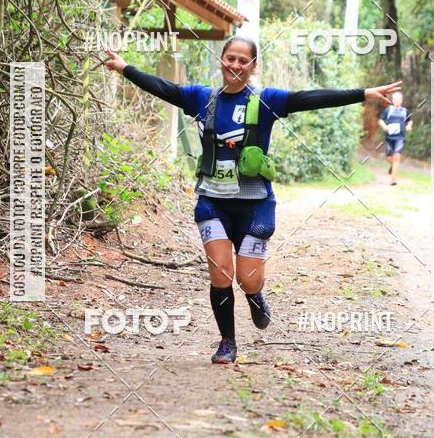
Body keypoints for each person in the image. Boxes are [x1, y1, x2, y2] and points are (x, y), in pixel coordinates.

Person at [104, 37, 402, 364]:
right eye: (230, 58)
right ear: (221, 60)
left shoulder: (267, 100)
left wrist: (362, 94)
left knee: (247, 278)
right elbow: (164, 88)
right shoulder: (202, 97)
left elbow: (310, 99)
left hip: (255, 203)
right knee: (220, 273)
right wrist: (124, 68)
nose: (235, 65)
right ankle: (227, 342)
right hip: (213, 203)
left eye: (242, 60)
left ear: (253, 66)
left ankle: (255, 294)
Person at [378, 90, 412, 185]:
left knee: (397, 157)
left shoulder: (405, 111)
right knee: (389, 158)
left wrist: (409, 126)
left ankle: (393, 180)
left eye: (399, 99)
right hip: (389, 138)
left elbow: (410, 121)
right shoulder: (388, 110)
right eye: (395, 99)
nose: (397, 100)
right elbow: (381, 120)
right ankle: (392, 166)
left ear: (401, 100)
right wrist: (385, 127)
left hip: (400, 138)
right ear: (392, 100)